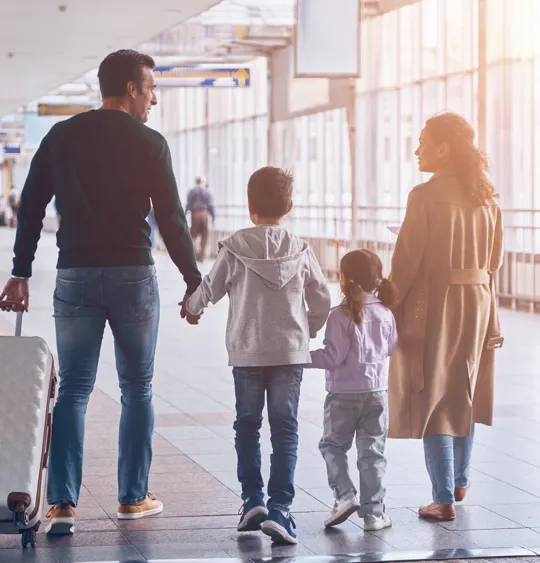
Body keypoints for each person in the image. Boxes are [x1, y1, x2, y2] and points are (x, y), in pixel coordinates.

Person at [0, 49, 202, 535]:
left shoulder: (62, 136)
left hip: (76, 275)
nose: (154, 98)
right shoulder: (150, 143)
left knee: (72, 390)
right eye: (150, 88)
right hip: (133, 273)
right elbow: (172, 219)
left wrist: (21, 270)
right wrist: (195, 279)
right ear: (131, 88)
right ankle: (133, 498)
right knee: (138, 387)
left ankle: (63, 503)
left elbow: (30, 205)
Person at [184, 166, 331, 544]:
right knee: (285, 430)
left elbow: (210, 288)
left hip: (247, 353)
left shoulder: (234, 247)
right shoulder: (300, 248)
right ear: (290, 206)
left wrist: (192, 307)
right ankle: (281, 509)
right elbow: (321, 297)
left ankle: (252, 499)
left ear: (250, 207)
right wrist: (309, 330)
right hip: (289, 353)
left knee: (247, 425)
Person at [388, 112, 504, 521]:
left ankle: (442, 498)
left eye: (423, 142)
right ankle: (459, 478)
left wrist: (387, 296)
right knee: (464, 390)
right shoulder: (487, 197)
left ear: (445, 148)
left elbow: (406, 261)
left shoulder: (425, 196)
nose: (417, 150)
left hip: (438, 301)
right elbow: (494, 262)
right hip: (479, 299)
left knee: (433, 393)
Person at [306, 249, 397, 532]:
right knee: (372, 453)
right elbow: (391, 348)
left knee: (333, 446)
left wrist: (300, 358)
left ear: (342, 279)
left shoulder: (338, 316)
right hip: (377, 392)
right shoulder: (386, 312)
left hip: (343, 396)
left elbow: (332, 358)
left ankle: (344, 496)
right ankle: (373, 515)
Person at [186, 176, 215, 262]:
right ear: (203, 182)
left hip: (195, 213)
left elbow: (188, 204)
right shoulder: (207, 192)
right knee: (204, 235)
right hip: (204, 213)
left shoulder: (191, 191)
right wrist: (213, 217)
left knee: (193, 235)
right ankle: (201, 256)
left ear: (196, 182)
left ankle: (194, 253)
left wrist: (184, 214)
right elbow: (211, 205)